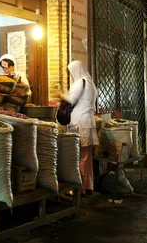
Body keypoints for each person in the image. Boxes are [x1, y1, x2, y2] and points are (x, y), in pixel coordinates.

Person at [62, 60, 99, 196]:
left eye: (71, 72)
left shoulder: (80, 82)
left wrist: (60, 94)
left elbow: (71, 99)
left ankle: (79, 188)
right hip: (88, 122)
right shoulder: (90, 83)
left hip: (79, 123)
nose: (71, 75)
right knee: (87, 157)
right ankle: (88, 187)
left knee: (80, 156)